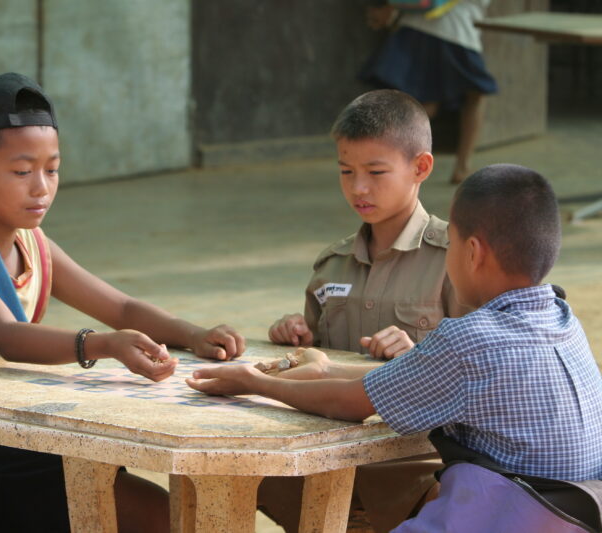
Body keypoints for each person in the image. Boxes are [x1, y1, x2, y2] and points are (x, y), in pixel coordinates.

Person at [0, 72, 245, 533]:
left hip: (6, 446)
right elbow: (7, 336)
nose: (41, 187)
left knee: (158, 513)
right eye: (22, 171)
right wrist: (104, 345)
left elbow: (119, 309)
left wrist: (193, 333)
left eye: (52, 169)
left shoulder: (35, 245)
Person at [188, 164, 602, 532]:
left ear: (472, 252)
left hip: (504, 515)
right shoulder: (563, 320)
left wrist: (255, 382)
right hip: (572, 516)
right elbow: (410, 376)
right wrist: (325, 366)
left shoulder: (469, 338)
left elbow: (349, 403)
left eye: (453, 243)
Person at [264, 89, 469, 532]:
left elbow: (478, 366)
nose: (358, 188)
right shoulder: (330, 265)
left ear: (421, 167)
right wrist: (295, 337)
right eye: (346, 172)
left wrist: (416, 354)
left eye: (376, 172)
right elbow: (313, 360)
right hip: (325, 462)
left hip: (413, 472)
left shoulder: (455, 260)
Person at [362, 0, 498, 184]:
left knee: (425, 104)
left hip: (414, 28)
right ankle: (462, 166)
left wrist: (390, 7)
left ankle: (385, 160)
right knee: (473, 97)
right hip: (456, 30)